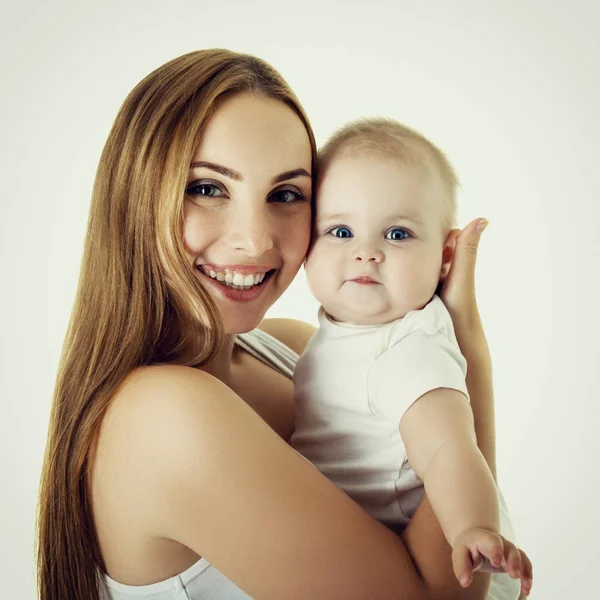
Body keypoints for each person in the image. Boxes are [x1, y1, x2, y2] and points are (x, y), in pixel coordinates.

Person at [35, 49, 530, 600]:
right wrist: (463, 351)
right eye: (207, 188)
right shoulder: (166, 417)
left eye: (286, 194)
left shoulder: (295, 349)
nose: (257, 239)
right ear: (136, 197)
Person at [291, 118, 533, 598]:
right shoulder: (346, 334)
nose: (366, 253)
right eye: (340, 231)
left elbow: (449, 451)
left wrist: (472, 529)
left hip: (435, 550)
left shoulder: (407, 351)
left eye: (397, 235)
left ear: (446, 256)